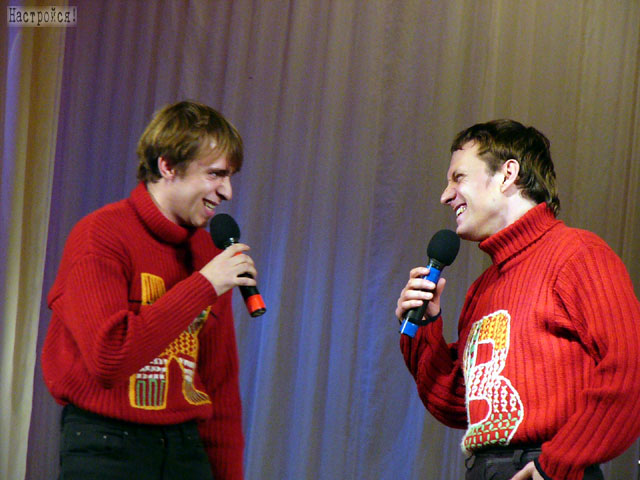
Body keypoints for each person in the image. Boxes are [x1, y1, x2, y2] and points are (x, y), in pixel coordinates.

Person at [395, 119, 640, 480]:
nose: (445, 196)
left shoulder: (578, 255)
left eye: (458, 178)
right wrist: (424, 327)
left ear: (507, 174)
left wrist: (557, 464)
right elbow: (458, 403)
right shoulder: (483, 288)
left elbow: (630, 370)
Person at [42, 100, 256, 480]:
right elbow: (110, 358)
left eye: (230, 177)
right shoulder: (100, 234)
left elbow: (220, 388)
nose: (227, 191)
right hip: (107, 443)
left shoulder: (208, 254)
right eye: (216, 174)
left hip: (185, 447)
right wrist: (204, 285)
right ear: (168, 166)